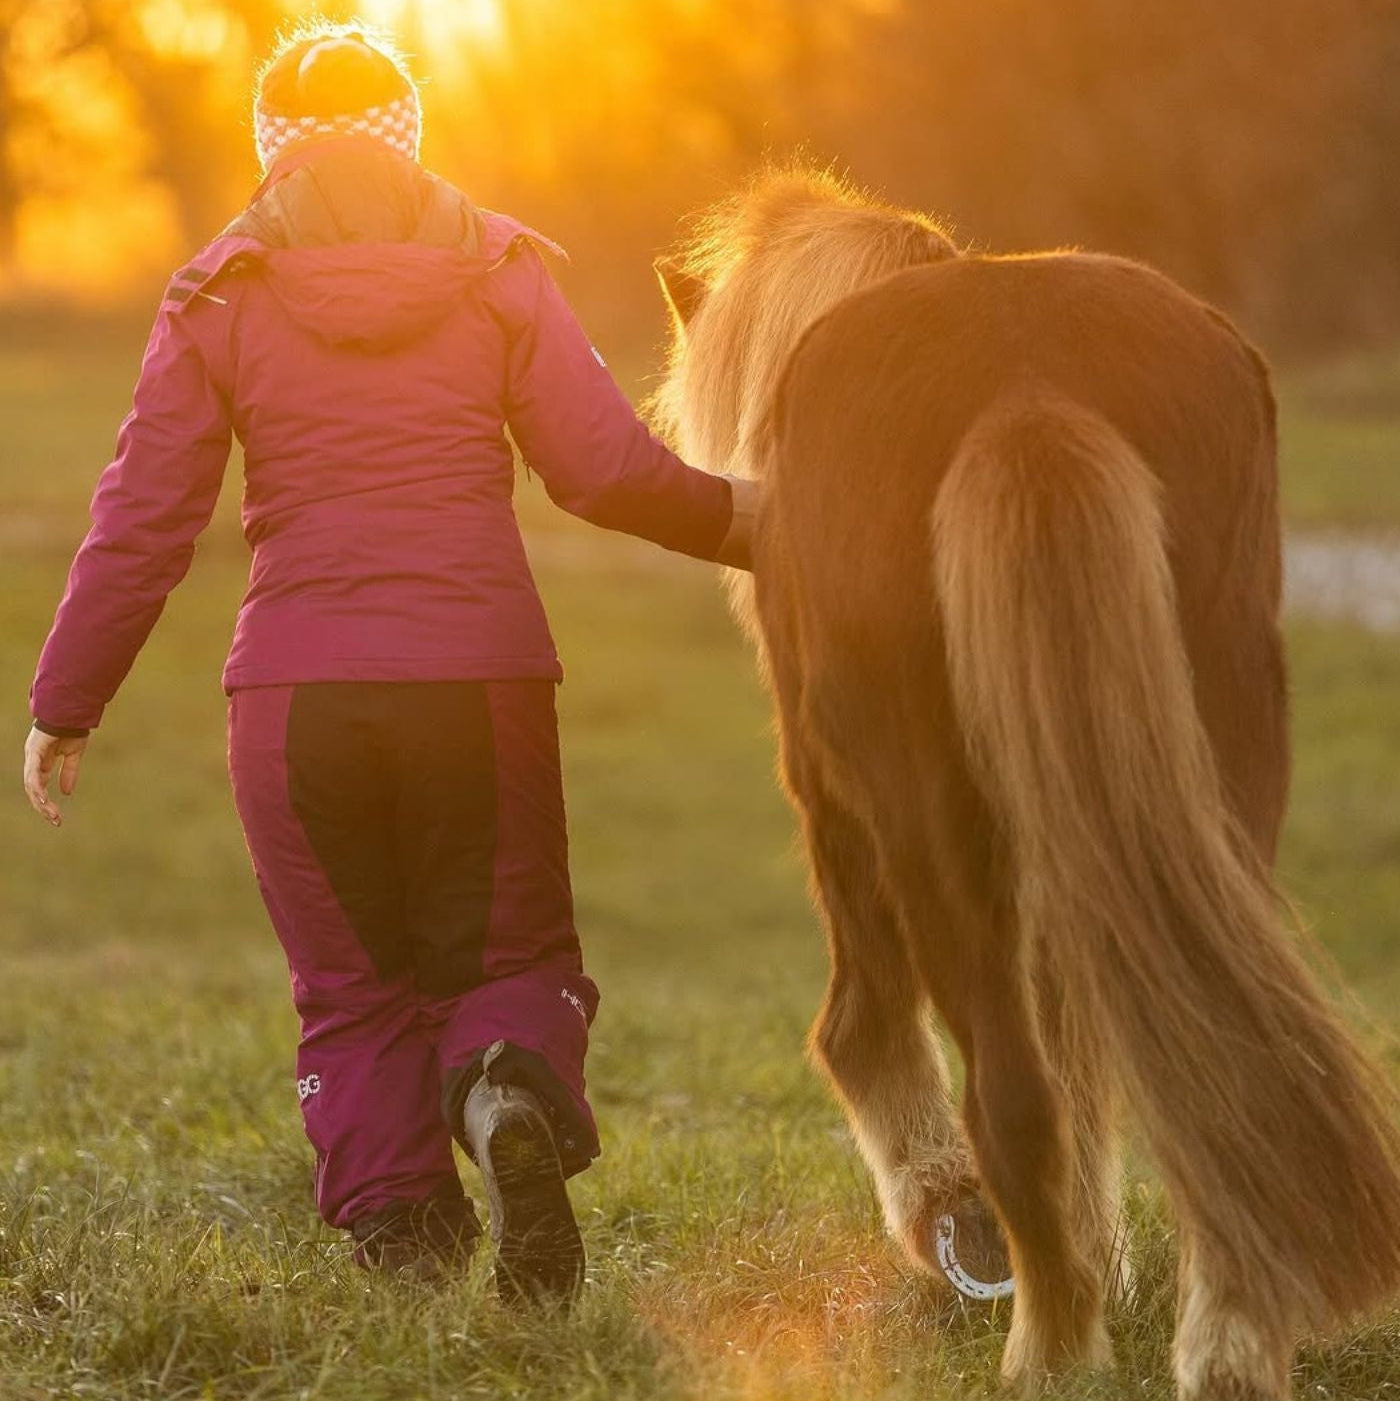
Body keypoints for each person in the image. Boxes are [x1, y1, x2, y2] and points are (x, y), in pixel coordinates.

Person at [21, 22, 757, 1301]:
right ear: (409, 133)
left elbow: (144, 518)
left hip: (294, 698)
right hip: (479, 680)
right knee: (506, 953)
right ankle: (503, 1093)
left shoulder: (218, 290)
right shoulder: (497, 267)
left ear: (272, 147)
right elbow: (602, 470)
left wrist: (63, 702)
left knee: (352, 986)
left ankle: (406, 1241)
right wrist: (762, 526)